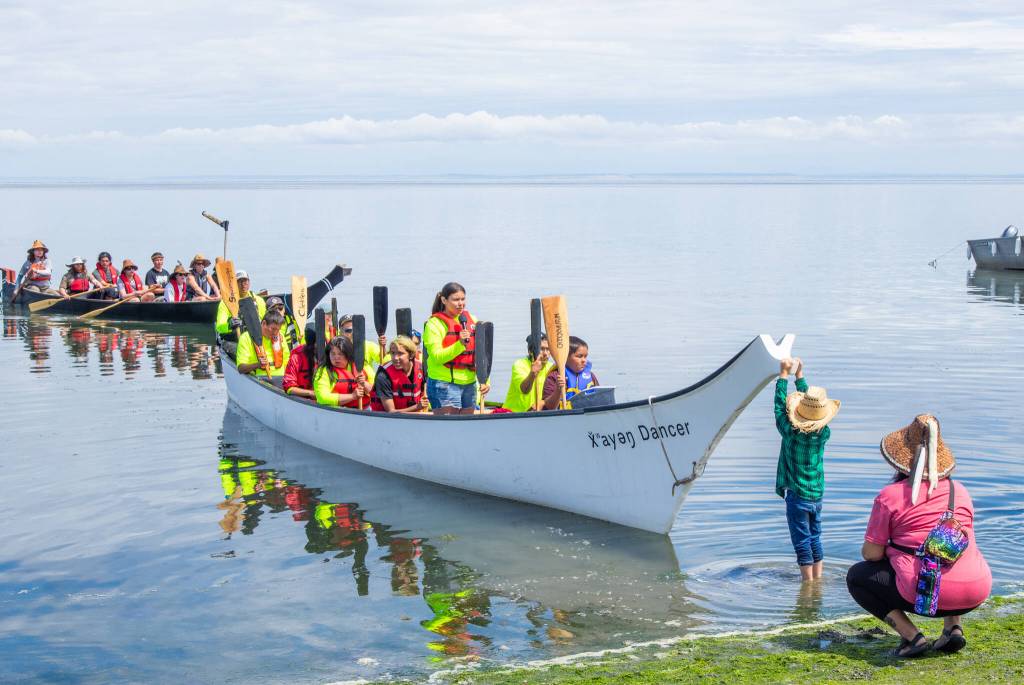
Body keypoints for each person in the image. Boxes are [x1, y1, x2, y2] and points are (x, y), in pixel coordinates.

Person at [846, 414, 992, 658]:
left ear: (900, 462)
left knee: (857, 576)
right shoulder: (961, 491)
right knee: (946, 548)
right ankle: (953, 629)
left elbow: (872, 554)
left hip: (928, 597)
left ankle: (912, 637)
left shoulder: (890, 496)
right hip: (976, 590)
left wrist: (893, 550)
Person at [774, 357, 839, 583]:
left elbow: (779, 408)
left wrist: (783, 375)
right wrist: (799, 377)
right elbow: (813, 409)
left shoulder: (791, 434)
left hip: (798, 497)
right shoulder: (824, 433)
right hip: (817, 495)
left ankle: (808, 585)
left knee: (801, 540)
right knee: (814, 538)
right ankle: (818, 579)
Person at [423, 282, 489, 415]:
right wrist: (460, 344)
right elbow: (437, 356)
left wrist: (485, 379)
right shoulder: (434, 324)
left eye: (463, 299)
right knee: (448, 428)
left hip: (469, 384)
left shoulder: (472, 320)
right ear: (444, 300)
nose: (461, 303)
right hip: (443, 383)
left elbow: (482, 353)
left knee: (465, 427)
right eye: (456, 299)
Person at [370, 336, 429, 413]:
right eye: (393, 353)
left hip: (414, 416)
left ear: (411, 355)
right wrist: (417, 407)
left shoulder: (421, 368)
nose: (395, 358)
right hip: (386, 420)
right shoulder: (383, 375)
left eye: (400, 353)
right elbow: (391, 412)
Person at [313, 336, 372, 409]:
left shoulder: (360, 366)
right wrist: (352, 396)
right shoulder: (323, 371)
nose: (336, 357)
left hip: (364, 410)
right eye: (333, 353)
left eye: (340, 354)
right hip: (339, 412)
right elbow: (322, 398)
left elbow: (374, 392)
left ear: (348, 354)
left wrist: (364, 383)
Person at [541, 336, 598, 410]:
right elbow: (549, 407)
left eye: (585, 356)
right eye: (579, 356)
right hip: (562, 417)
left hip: (585, 415)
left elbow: (599, 397)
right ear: (565, 357)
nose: (584, 360)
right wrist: (558, 390)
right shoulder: (554, 376)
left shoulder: (590, 376)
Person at [503, 333, 555, 412]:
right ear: (530, 351)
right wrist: (532, 373)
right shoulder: (519, 364)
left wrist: (543, 403)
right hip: (513, 414)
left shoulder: (551, 368)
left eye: (548, 349)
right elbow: (524, 390)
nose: (545, 353)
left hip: (536, 413)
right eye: (542, 349)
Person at [236, 309, 291, 380]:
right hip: (259, 379)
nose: (275, 333)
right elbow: (241, 368)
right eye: (273, 329)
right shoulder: (246, 337)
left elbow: (287, 362)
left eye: (278, 329)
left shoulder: (280, 337)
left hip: (281, 379)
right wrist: (258, 365)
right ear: (264, 323)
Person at [215, 270, 266, 336]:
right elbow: (219, 328)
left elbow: (265, 323)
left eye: (245, 281)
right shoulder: (225, 303)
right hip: (233, 341)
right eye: (239, 281)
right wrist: (229, 325)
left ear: (249, 282)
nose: (243, 284)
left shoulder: (259, 300)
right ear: (234, 284)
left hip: (255, 339)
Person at [283, 325, 318, 400]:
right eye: (316, 344)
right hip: (302, 401)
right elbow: (289, 388)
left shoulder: (330, 355)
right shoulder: (296, 358)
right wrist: (310, 393)